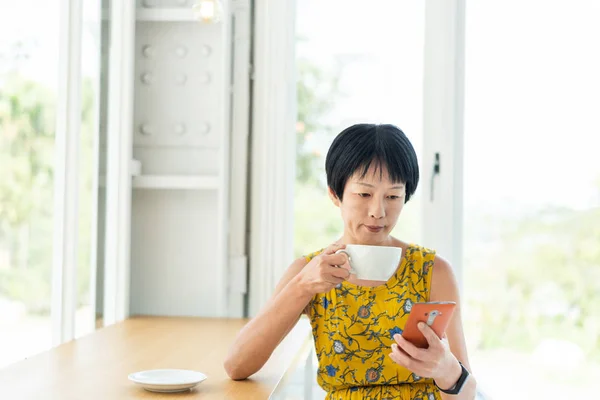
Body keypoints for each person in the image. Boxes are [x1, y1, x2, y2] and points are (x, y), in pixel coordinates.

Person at [224, 124, 477, 399]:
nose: (378, 212)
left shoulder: (433, 271)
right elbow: (237, 365)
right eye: (364, 194)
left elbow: (468, 392)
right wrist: (302, 287)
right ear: (335, 193)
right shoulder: (308, 271)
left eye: (393, 196)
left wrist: (447, 371)